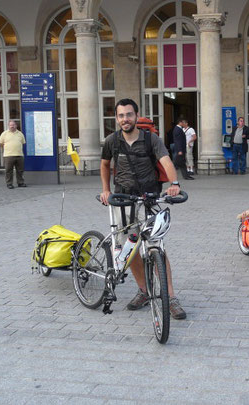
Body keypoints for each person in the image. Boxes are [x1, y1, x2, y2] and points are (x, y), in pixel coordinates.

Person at [99, 98, 186, 320]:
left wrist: (174, 184)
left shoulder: (151, 139)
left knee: (157, 247)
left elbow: (166, 160)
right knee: (131, 248)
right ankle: (144, 291)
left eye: (129, 114)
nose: (125, 119)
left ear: (136, 116)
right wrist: (106, 190)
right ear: (116, 118)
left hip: (149, 196)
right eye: (121, 115)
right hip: (122, 197)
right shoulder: (112, 140)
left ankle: (171, 298)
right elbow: (105, 164)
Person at [0, 120, 27, 189]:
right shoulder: (4, 133)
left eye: (13, 125)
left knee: (20, 170)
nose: (12, 126)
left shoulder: (20, 134)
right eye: (10, 125)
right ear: (8, 126)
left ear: (16, 126)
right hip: (8, 155)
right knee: (8, 171)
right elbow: (0, 143)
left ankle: (20, 183)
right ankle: (9, 184)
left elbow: (23, 143)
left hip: (19, 155)